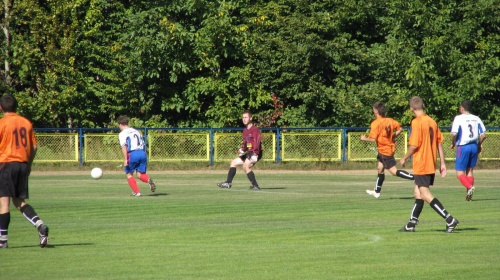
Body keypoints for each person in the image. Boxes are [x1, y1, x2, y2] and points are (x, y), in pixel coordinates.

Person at [399, 96, 459, 233]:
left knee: (425, 194)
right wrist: (442, 163)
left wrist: (404, 158)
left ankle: (449, 219)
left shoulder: (416, 122)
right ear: (423, 105)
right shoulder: (432, 121)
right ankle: (411, 224)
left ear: (411, 109)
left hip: (422, 162)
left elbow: (414, 145)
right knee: (417, 192)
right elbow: (439, 143)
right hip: (430, 162)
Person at [0, 94, 49, 248]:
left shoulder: (2, 123)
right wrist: (29, 164)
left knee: (4, 203)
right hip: (22, 164)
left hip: (6, 163)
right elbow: (34, 147)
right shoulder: (26, 123)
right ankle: (40, 225)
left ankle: (3, 240)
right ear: (16, 107)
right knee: (18, 201)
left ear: (1, 108)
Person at [361, 101, 414, 198]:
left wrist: (364, 139)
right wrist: (392, 137)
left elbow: (373, 139)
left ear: (376, 111)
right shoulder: (390, 120)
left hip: (384, 151)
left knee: (394, 172)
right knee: (380, 169)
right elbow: (400, 129)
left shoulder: (375, 123)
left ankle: (416, 178)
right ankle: (377, 191)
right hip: (387, 148)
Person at [450, 100, 486, 201]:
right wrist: (479, 145)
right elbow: (483, 135)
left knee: (459, 172)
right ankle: (468, 193)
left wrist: (453, 143)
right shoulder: (476, 118)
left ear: (462, 108)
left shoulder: (458, 118)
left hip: (463, 146)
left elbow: (453, 134)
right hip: (474, 146)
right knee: (469, 170)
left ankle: (470, 187)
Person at [218, 110, 262, 190]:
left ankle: (255, 186)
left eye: (246, 117)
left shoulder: (254, 129)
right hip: (249, 152)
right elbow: (245, 142)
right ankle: (228, 183)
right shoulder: (245, 130)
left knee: (245, 166)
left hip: (255, 152)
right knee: (233, 162)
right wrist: (242, 149)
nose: (244, 119)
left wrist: (255, 153)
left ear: (251, 118)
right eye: (243, 117)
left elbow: (257, 142)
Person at [118, 115, 156, 196]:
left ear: (120, 124)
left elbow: (124, 146)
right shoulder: (136, 131)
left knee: (129, 174)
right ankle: (148, 180)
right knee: (140, 174)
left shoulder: (122, 133)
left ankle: (137, 192)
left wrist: (125, 159)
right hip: (142, 153)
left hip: (132, 153)